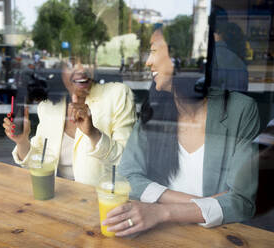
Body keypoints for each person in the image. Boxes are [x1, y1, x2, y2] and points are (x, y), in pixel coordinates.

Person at [102, 29, 260, 236]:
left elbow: (241, 202)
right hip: (159, 235)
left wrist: (162, 212)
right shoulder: (154, 110)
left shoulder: (240, 111)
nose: (148, 62)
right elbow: (128, 176)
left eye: (153, 51)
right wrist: (204, 204)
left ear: (182, 59)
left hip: (216, 237)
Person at [2, 59, 136, 186]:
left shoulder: (118, 95)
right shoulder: (48, 106)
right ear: (60, 71)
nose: (81, 69)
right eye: (72, 62)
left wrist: (94, 134)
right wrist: (22, 141)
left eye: (86, 61)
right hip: (55, 195)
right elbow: (39, 164)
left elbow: (127, 163)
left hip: (97, 200)